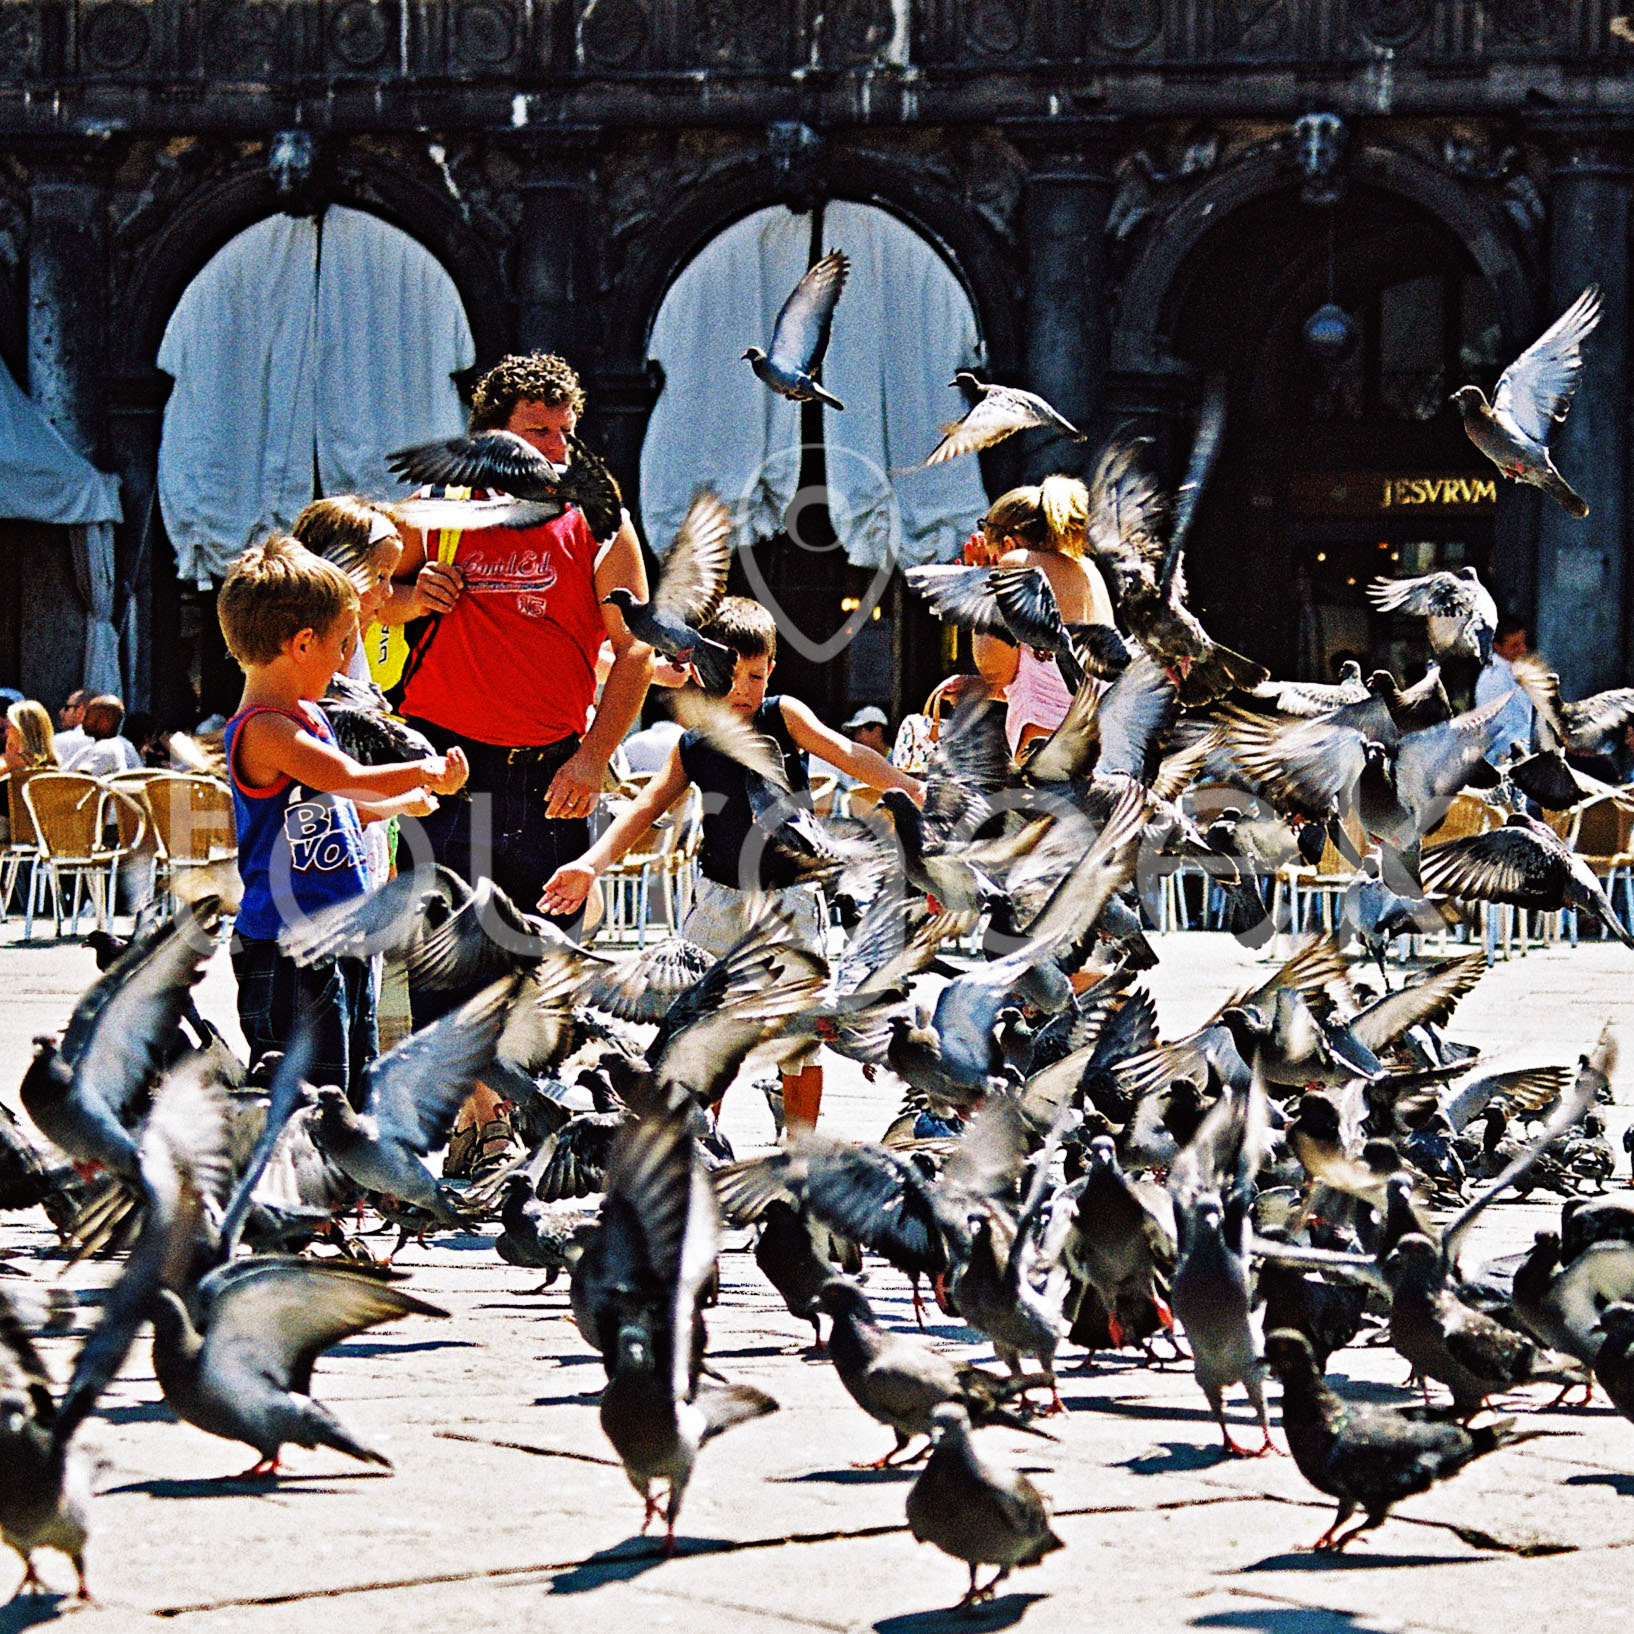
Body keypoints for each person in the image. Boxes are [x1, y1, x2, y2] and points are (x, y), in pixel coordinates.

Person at [540, 597, 926, 1130]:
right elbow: (645, 807)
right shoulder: (691, 745)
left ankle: (798, 1156)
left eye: (758, 676)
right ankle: (705, 1145)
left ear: (772, 670)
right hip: (717, 901)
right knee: (700, 1032)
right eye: (733, 675)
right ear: (703, 669)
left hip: (789, 901)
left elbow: (847, 753)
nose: (745, 690)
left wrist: (907, 787)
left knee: (799, 1037)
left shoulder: (782, 715)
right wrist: (590, 864)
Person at [377, 352, 654, 934]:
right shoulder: (434, 509)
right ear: (491, 437)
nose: (556, 448)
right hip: (444, 769)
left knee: (545, 969)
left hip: (550, 779)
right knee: (442, 967)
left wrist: (592, 759)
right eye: (538, 431)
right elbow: (367, 602)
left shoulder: (599, 520)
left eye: (565, 432)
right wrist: (414, 596)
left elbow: (635, 651)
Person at [218, 534, 468, 1104]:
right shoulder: (264, 728)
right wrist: (425, 770)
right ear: (302, 644)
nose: (341, 660)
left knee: (350, 1088)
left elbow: (336, 808)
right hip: (286, 947)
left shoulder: (308, 716)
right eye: (340, 644)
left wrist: (399, 805)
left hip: (339, 936)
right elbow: (344, 777)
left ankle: (340, 1166)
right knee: (305, 1097)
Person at [967, 477, 1116, 753]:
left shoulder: (1017, 563)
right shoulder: (1090, 571)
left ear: (1008, 544)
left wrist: (980, 582)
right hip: (1100, 741)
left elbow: (995, 672)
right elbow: (1054, 677)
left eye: (992, 556)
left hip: (1049, 743)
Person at [1474, 614, 1534, 760]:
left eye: (1523, 643)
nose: (1522, 649)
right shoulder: (1492, 679)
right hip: (1505, 756)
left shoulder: (1518, 670)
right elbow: (1502, 729)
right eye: (1515, 645)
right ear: (1497, 647)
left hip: (1527, 748)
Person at [60, 695, 143, 779]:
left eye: (88, 716)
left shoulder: (107, 747)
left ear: (104, 721)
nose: (83, 720)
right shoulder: (91, 747)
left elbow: (79, 780)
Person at [3, 699, 59, 774]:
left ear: (21, 731)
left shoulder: (10, 762)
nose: (6, 732)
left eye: (8, 727)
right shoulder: (55, 765)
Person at [52, 689, 90, 764]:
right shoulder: (113, 742)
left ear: (80, 710)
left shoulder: (59, 741)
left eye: (67, 708)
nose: (61, 712)